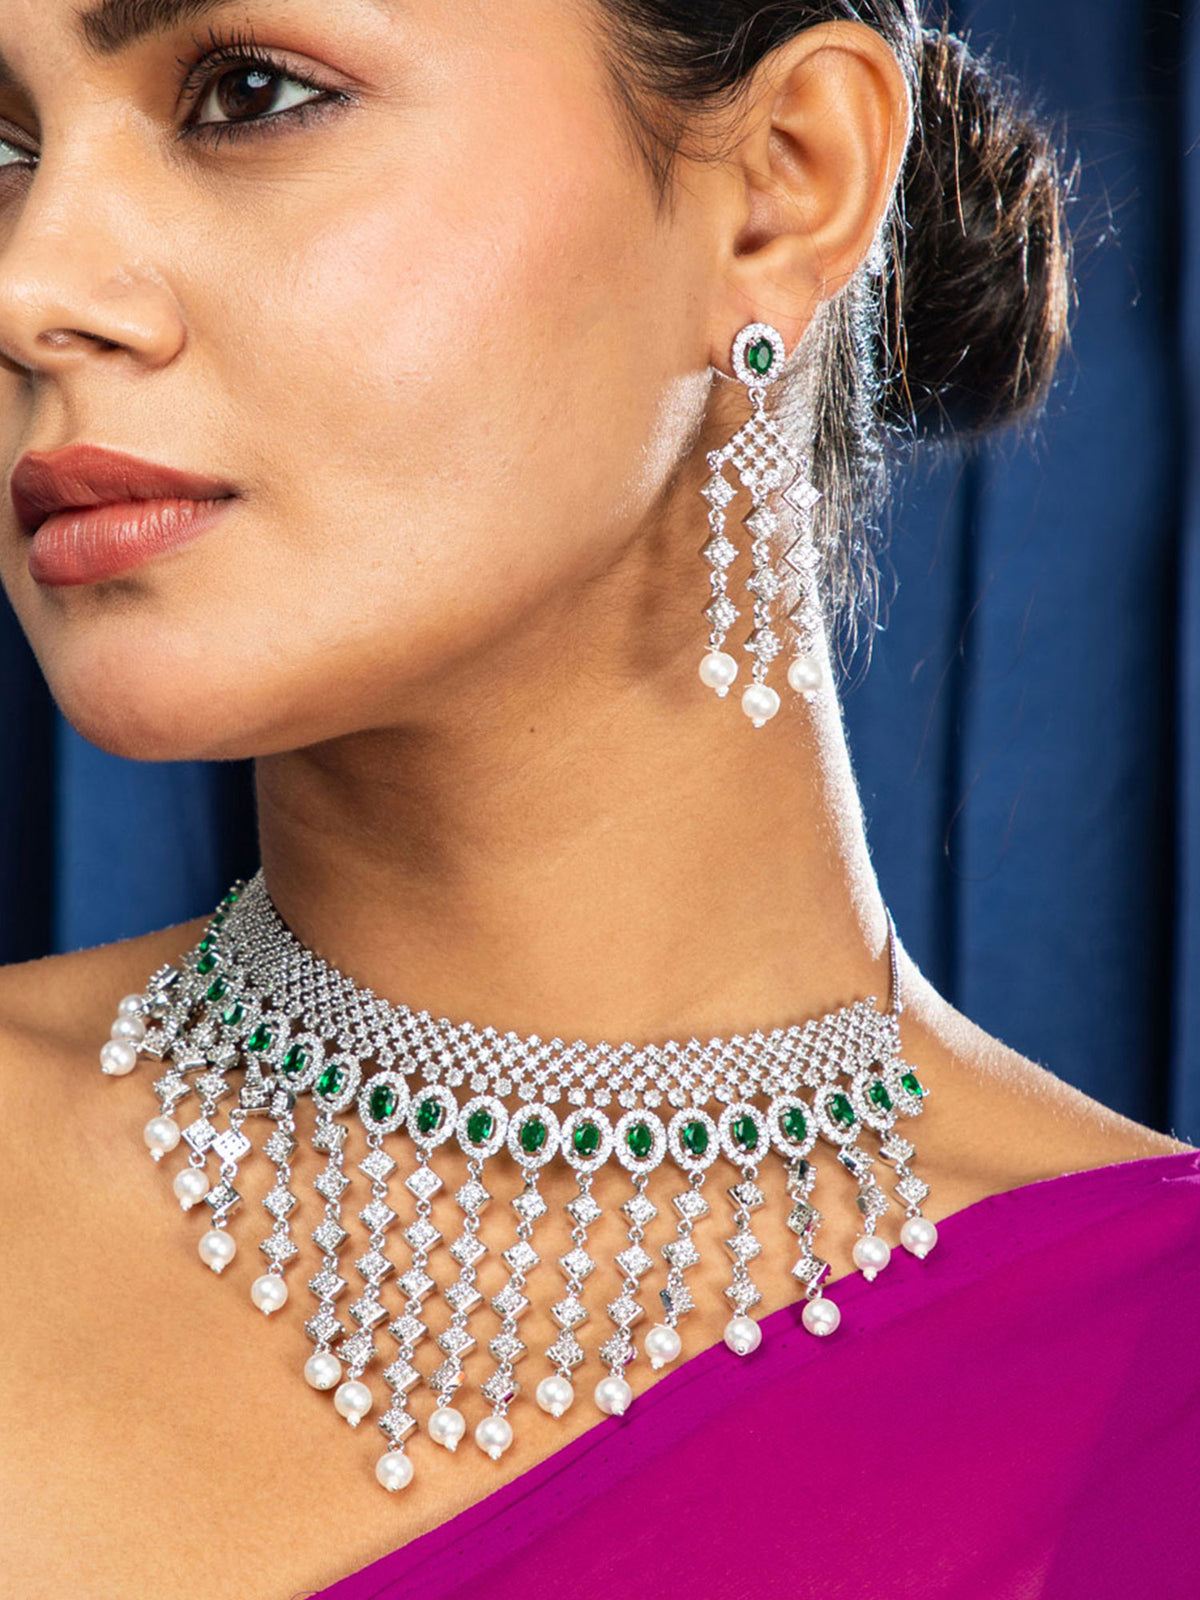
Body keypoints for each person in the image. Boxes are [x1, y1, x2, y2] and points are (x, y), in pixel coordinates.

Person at [0, 1, 1195, 1596]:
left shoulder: (1152, 1398)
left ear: (783, 185)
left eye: (247, 93)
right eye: (3, 148)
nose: (30, 288)